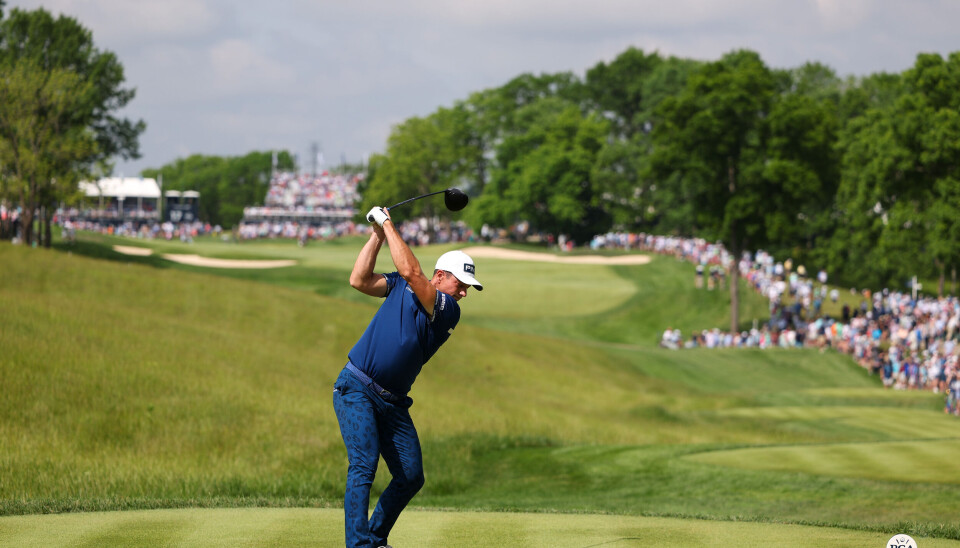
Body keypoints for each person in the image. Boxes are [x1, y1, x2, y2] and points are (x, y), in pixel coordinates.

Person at [332, 205, 483, 547]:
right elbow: (359, 280)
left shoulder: (447, 310)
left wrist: (386, 222)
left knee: (411, 476)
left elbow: (414, 274)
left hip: (393, 403)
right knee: (363, 465)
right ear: (441, 275)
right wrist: (376, 235)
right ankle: (360, 545)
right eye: (461, 285)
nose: (463, 294)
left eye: (467, 290)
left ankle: (374, 537)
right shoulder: (402, 283)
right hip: (356, 386)